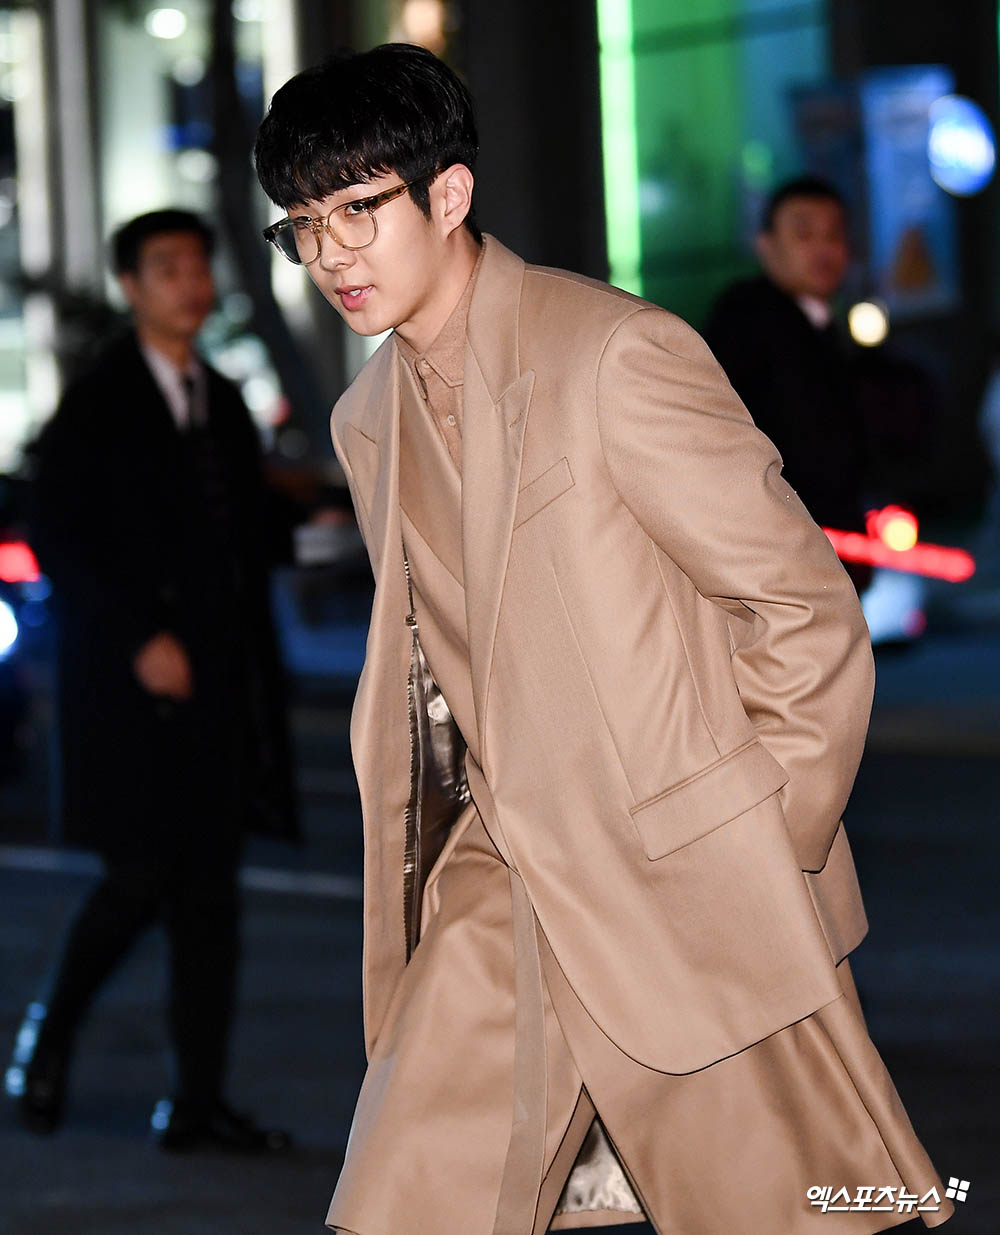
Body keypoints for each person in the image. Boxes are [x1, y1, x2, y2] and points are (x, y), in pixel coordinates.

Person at [254, 46, 953, 1233]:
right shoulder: (365, 418)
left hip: (681, 880)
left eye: (358, 210)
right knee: (404, 1197)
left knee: (792, 1206)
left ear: (449, 193)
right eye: (303, 226)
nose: (331, 255)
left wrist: (751, 838)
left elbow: (801, 608)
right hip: (504, 876)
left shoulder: (613, 351)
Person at [8, 209, 297, 1153]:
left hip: (218, 686)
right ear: (131, 286)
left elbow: (240, 535)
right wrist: (136, 637)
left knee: (211, 896)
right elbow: (59, 532)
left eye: (199, 266)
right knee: (137, 879)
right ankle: (44, 1040)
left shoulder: (221, 396)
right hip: (130, 690)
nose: (191, 283)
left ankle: (197, 1103)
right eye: (168, 268)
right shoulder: (98, 400)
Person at [703, 177, 870, 589]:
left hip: (822, 551)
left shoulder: (822, 324)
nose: (823, 249)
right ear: (766, 245)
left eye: (834, 235)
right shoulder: (748, 317)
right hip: (782, 560)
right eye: (804, 234)